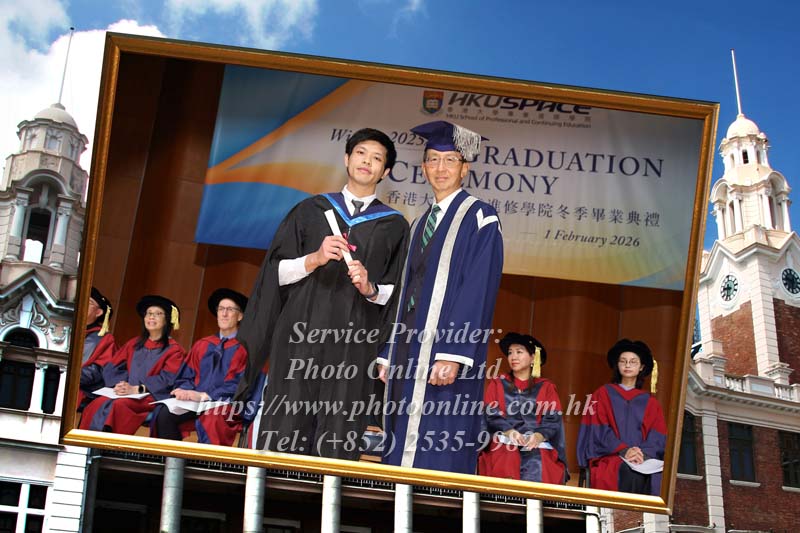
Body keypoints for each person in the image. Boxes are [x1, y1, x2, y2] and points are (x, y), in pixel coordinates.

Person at [235, 128, 409, 460]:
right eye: (361, 153)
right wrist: (313, 259)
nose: (367, 162)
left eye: (377, 158)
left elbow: (397, 292)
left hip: (353, 344)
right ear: (346, 159)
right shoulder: (310, 210)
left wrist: (370, 288)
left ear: (385, 172)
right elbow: (275, 272)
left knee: (338, 430)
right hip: (299, 335)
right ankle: (277, 489)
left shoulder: (395, 226)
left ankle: (329, 493)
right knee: (287, 425)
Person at [379, 120, 504, 474]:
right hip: (408, 344)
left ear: (465, 168)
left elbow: (478, 289)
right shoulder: (420, 222)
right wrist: (389, 350)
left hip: (445, 350)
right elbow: (406, 290)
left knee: (437, 435)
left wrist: (453, 352)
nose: (441, 168)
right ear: (423, 168)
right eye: (433, 160)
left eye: (450, 160)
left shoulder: (480, 217)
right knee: (400, 427)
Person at [151, 288, 249, 446]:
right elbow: (187, 375)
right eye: (221, 309)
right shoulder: (202, 345)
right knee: (164, 413)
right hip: (195, 401)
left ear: (240, 316)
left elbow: (241, 384)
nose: (224, 314)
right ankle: (173, 459)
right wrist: (184, 391)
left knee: (212, 417)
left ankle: (205, 461)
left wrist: (206, 395)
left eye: (230, 310)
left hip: (227, 403)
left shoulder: (245, 348)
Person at [79, 295, 186, 434]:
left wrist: (138, 389)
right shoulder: (134, 344)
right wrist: (121, 384)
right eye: (148, 313)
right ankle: (84, 443)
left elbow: (167, 379)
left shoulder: (174, 350)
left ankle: (107, 444)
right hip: (126, 393)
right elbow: (113, 367)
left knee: (119, 406)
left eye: (158, 314)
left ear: (168, 320)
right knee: (96, 403)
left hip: (151, 396)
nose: (151, 317)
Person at [577, 339, 666, 495]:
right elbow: (599, 432)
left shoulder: (651, 402)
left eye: (633, 362)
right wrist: (624, 450)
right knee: (630, 473)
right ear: (617, 365)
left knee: (658, 478)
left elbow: (657, 437)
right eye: (623, 361)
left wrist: (642, 454)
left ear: (641, 367)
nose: (627, 365)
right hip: (610, 456)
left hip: (642, 459)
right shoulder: (602, 394)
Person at [478, 333, 568, 484]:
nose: (513, 357)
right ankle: (504, 499)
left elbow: (552, 419)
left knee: (538, 460)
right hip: (504, 439)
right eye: (510, 353)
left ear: (533, 358)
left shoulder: (546, 387)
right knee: (507, 454)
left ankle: (534, 500)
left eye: (519, 352)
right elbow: (491, 414)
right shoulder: (498, 383)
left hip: (535, 442)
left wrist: (538, 436)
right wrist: (509, 431)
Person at [78, 287, 117, 410]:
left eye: (89, 302)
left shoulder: (104, 338)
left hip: (84, 391)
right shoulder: (65, 329)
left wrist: (69, 376)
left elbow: (98, 371)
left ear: (99, 312)